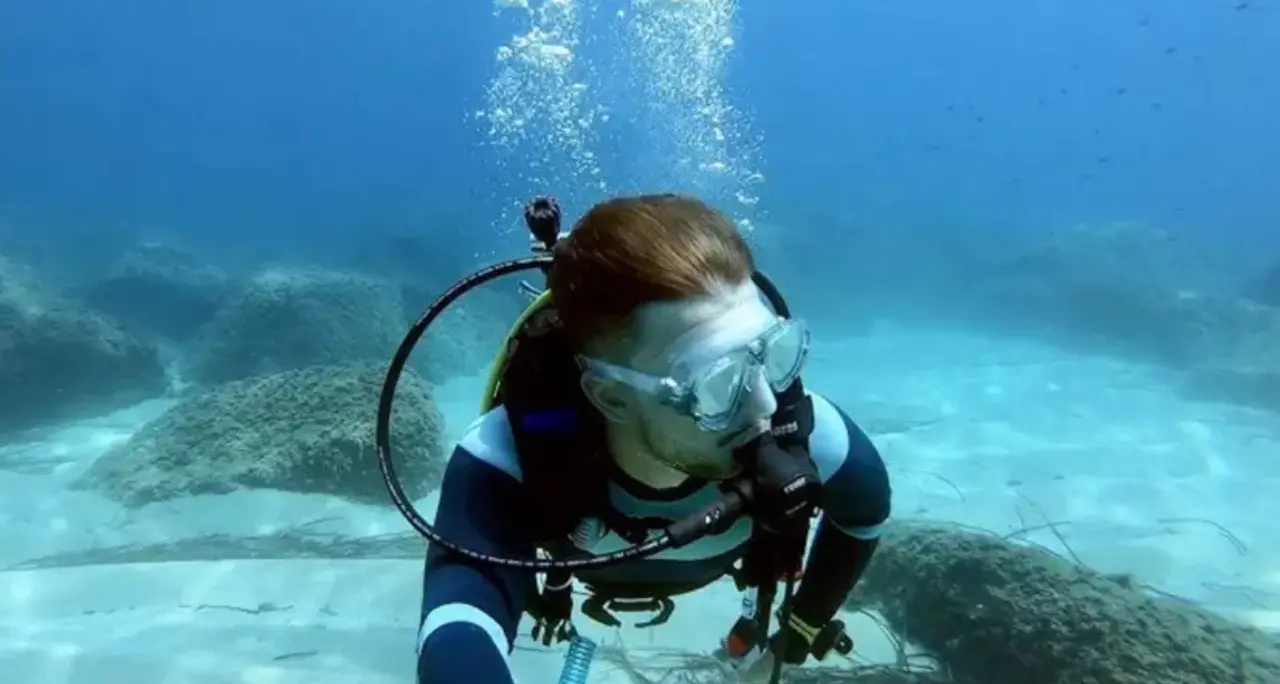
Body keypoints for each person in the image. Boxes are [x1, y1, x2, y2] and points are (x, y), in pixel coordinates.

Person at [416, 194, 891, 684]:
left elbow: (864, 513)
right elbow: (458, 626)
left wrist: (796, 634)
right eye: (716, 382)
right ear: (612, 397)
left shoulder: (804, 427)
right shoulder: (509, 453)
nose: (766, 405)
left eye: (772, 352)